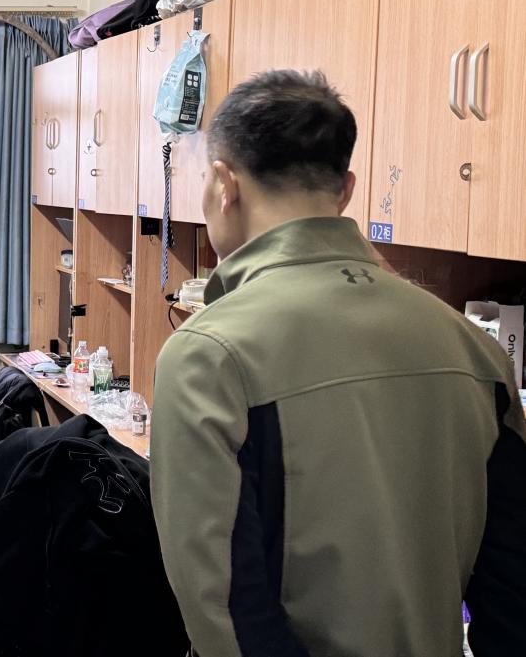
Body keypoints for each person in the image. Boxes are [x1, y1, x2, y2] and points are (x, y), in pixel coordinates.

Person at [151, 70, 526, 657]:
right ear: (346, 189)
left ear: (224, 185)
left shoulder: (208, 356)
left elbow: (226, 612)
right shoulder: (472, 348)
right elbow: (512, 589)